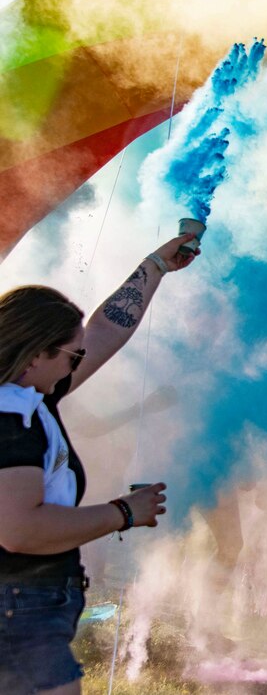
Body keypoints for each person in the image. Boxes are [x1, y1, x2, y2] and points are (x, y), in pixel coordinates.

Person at [0, 234, 195, 695]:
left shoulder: (33, 394)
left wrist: (155, 266)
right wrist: (124, 512)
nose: (80, 365)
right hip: (18, 606)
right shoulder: (11, 416)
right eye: (72, 356)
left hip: (27, 603)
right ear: (34, 356)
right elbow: (19, 530)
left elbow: (105, 331)